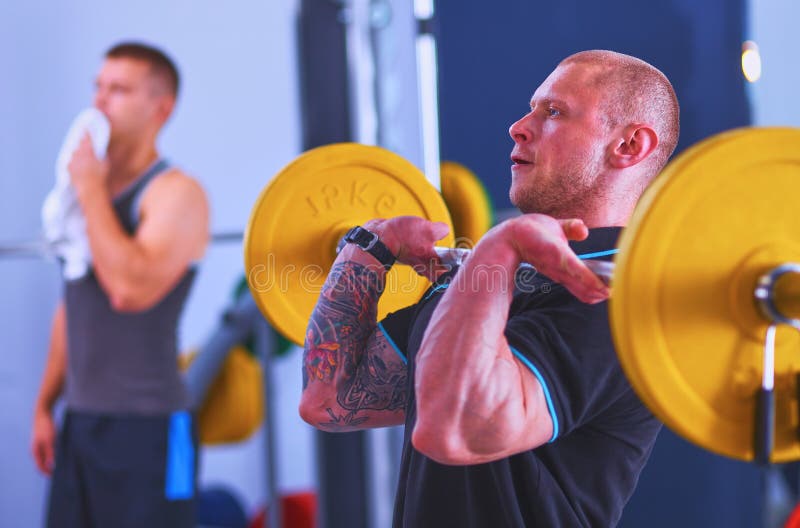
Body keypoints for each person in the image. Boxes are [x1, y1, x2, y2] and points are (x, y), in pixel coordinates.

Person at [299, 49, 680, 526]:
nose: (518, 127)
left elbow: (452, 433)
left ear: (629, 146)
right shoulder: (483, 279)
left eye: (554, 112)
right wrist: (370, 246)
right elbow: (330, 402)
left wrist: (497, 250)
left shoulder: (619, 304)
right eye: (531, 108)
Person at [30, 42, 209, 528]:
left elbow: (128, 291)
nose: (100, 100)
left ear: (161, 108)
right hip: (81, 422)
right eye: (99, 86)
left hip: (153, 427)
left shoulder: (177, 193)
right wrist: (46, 405)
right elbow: (73, 307)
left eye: (120, 89)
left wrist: (90, 188)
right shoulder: (81, 197)